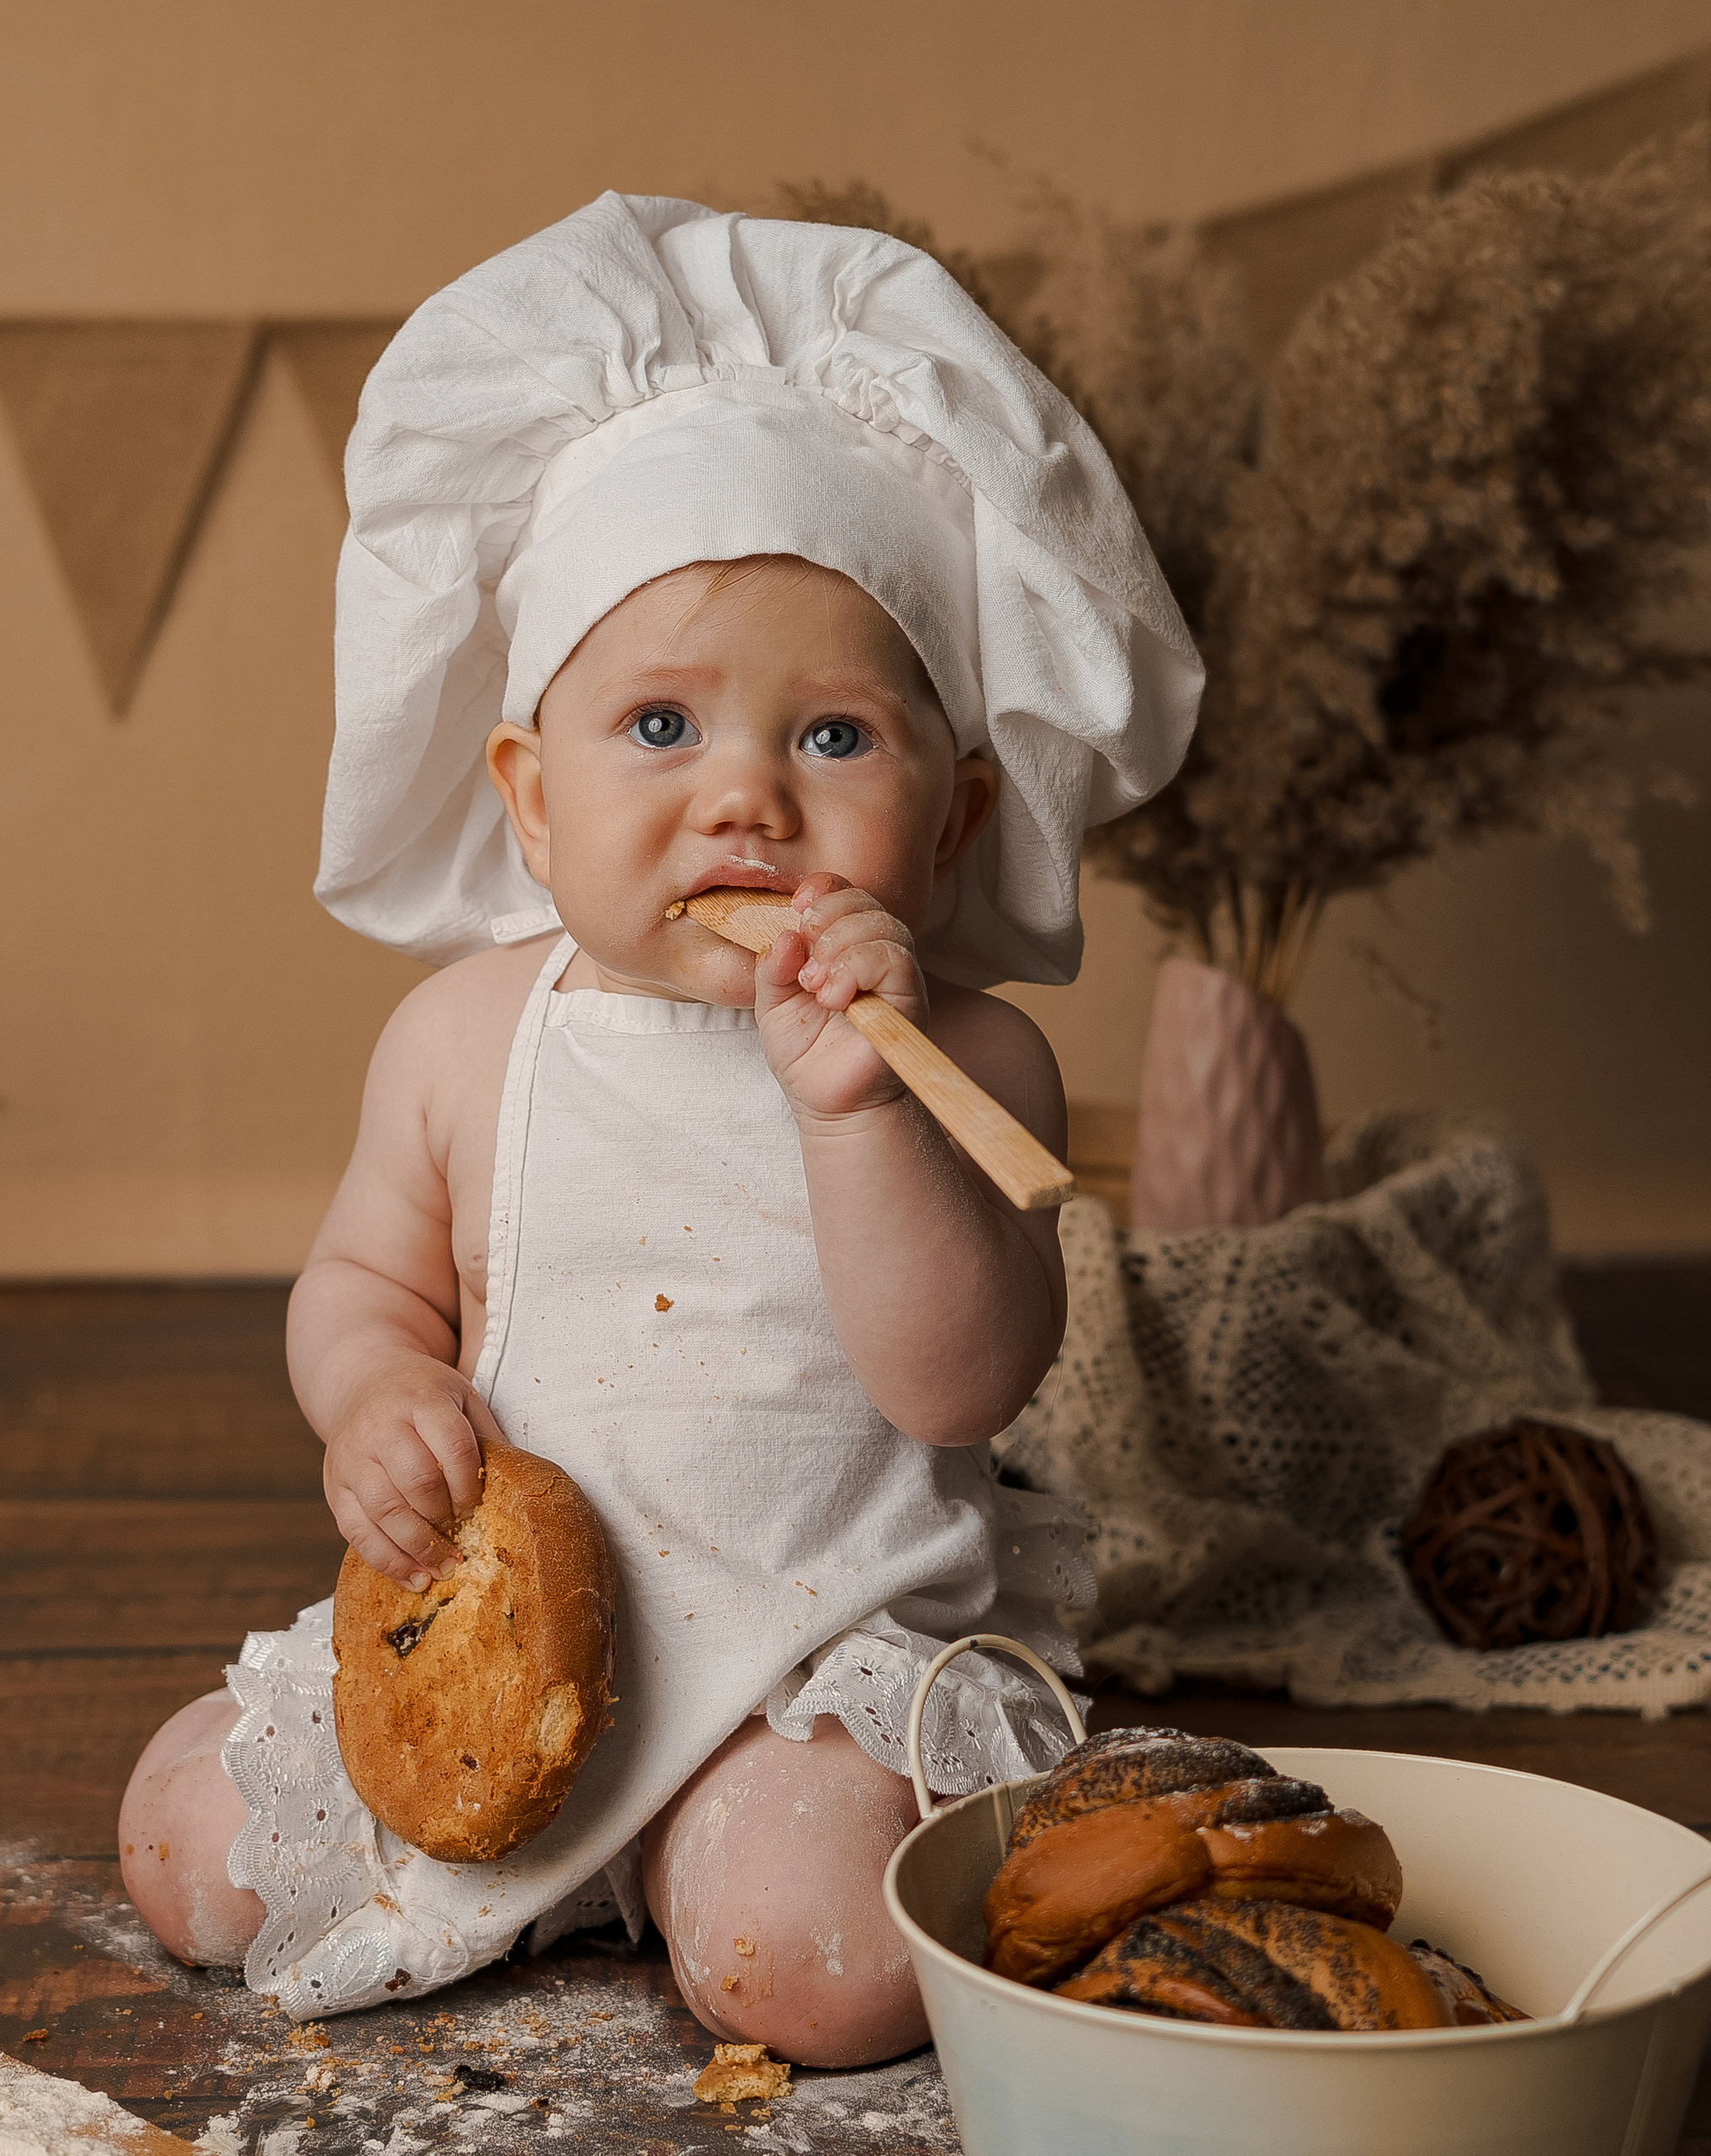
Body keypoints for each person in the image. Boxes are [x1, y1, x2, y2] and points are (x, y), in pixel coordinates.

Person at [118, 192, 1199, 2067]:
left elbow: (954, 1388)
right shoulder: (465, 1036)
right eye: (657, 724)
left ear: (947, 824)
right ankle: (565, 1847)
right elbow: (361, 1275)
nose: (744, 801)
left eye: (836, 740)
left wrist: (852, 1107)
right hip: (509, 1632)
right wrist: (372, 1392)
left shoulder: (963, 1059)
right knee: (182, 1838)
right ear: (529, 802)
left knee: (820, 1965)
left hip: (811, 1642)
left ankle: (703, 1852)